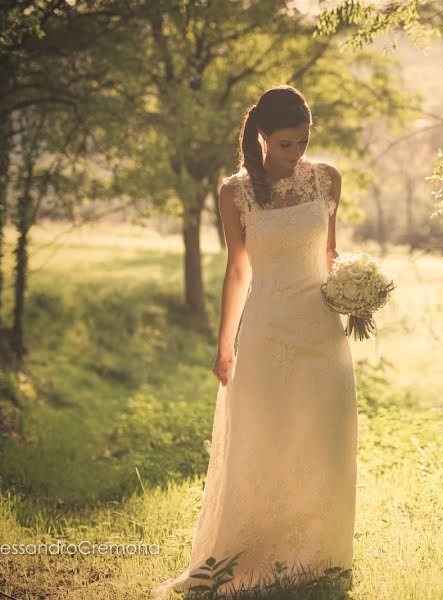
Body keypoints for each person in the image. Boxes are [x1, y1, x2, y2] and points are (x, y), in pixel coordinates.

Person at [153, 85, 363, 599]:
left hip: (321, 332)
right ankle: (251, 554)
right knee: (264, 440)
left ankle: (319, 557)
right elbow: (237, 270)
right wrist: (225, 345)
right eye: (288, 144)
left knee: (323, 441)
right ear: (264, 136)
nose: (297, 153)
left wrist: (359, 292)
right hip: (267, 330)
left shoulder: (326, 179)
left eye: (304, 141)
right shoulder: (236, 193)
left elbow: (331, 253)